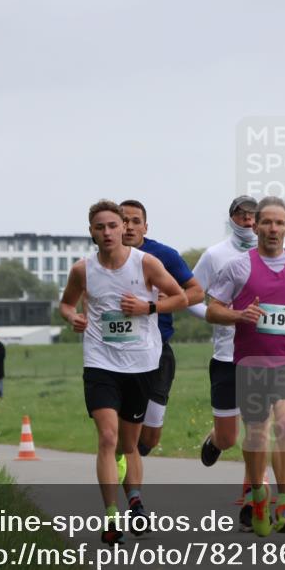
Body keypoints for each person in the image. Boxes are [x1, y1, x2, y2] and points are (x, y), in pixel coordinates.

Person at [59, 199, 187, 545]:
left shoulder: (146, 263)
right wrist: (74, 318)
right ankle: (111, 516)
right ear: (92, 233)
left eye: (113, 226)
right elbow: (66, 303)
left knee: (130, 444)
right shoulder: (83, 270)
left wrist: (149, 306)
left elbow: (182, 297)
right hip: (101, 362)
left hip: (142, 362)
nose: (108, 232)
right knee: (107, 438)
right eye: (100, 227)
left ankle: (136, 501)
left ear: (123, 230)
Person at [206, 196, 285, 536]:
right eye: (266, 222)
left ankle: (284, 503)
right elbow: (213, 309)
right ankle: (258, 493)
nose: (272, 228)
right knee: (257, 432)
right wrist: (238, 315)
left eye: (279, 223)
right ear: (255, 226)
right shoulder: (238, 267)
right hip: (250, 361)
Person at [119, 199, 204, 530]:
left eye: (134, 221)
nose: (127, 226)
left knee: (150, 439)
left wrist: (152, 307)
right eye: (122, 220)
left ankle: (131, 459)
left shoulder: (162, 256)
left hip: (157, 352)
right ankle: (135, 500)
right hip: (118, 356)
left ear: (145, 227)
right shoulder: (101, 261)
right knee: (125, 435)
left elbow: (195, 292)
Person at [189, 195, 260, 530]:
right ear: (231, 219)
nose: (247, 222)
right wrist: (216, 317)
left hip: (263, 356)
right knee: (231, 437)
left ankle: (252, 501)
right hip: (226, 355)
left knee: (258, 432)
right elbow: (190, 295)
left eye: (252, 216)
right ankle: (216, 439)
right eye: (241, 216)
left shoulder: (274, 257)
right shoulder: (215, 255)